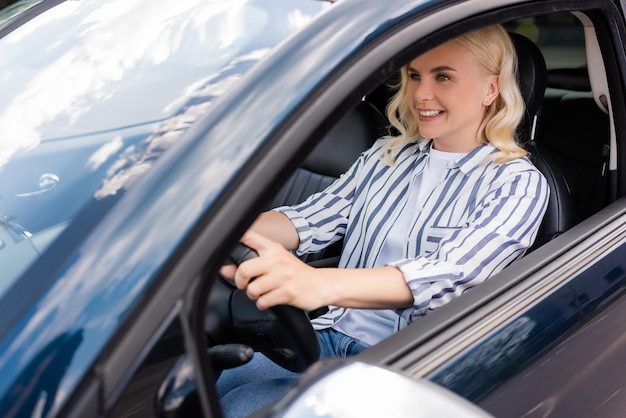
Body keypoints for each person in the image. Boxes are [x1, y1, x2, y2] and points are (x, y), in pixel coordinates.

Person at [217, 24, 550, 417]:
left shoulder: (518, 182)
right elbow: (309, 219)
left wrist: (319, 284)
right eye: (413, 75)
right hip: (327, 334)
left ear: (491, 89)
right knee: (220, 380)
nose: (420, 94)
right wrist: (216, 231)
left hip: (410, 362)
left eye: (443, 76)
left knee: (242, 407)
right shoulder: (386, 156)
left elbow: (450, 273)